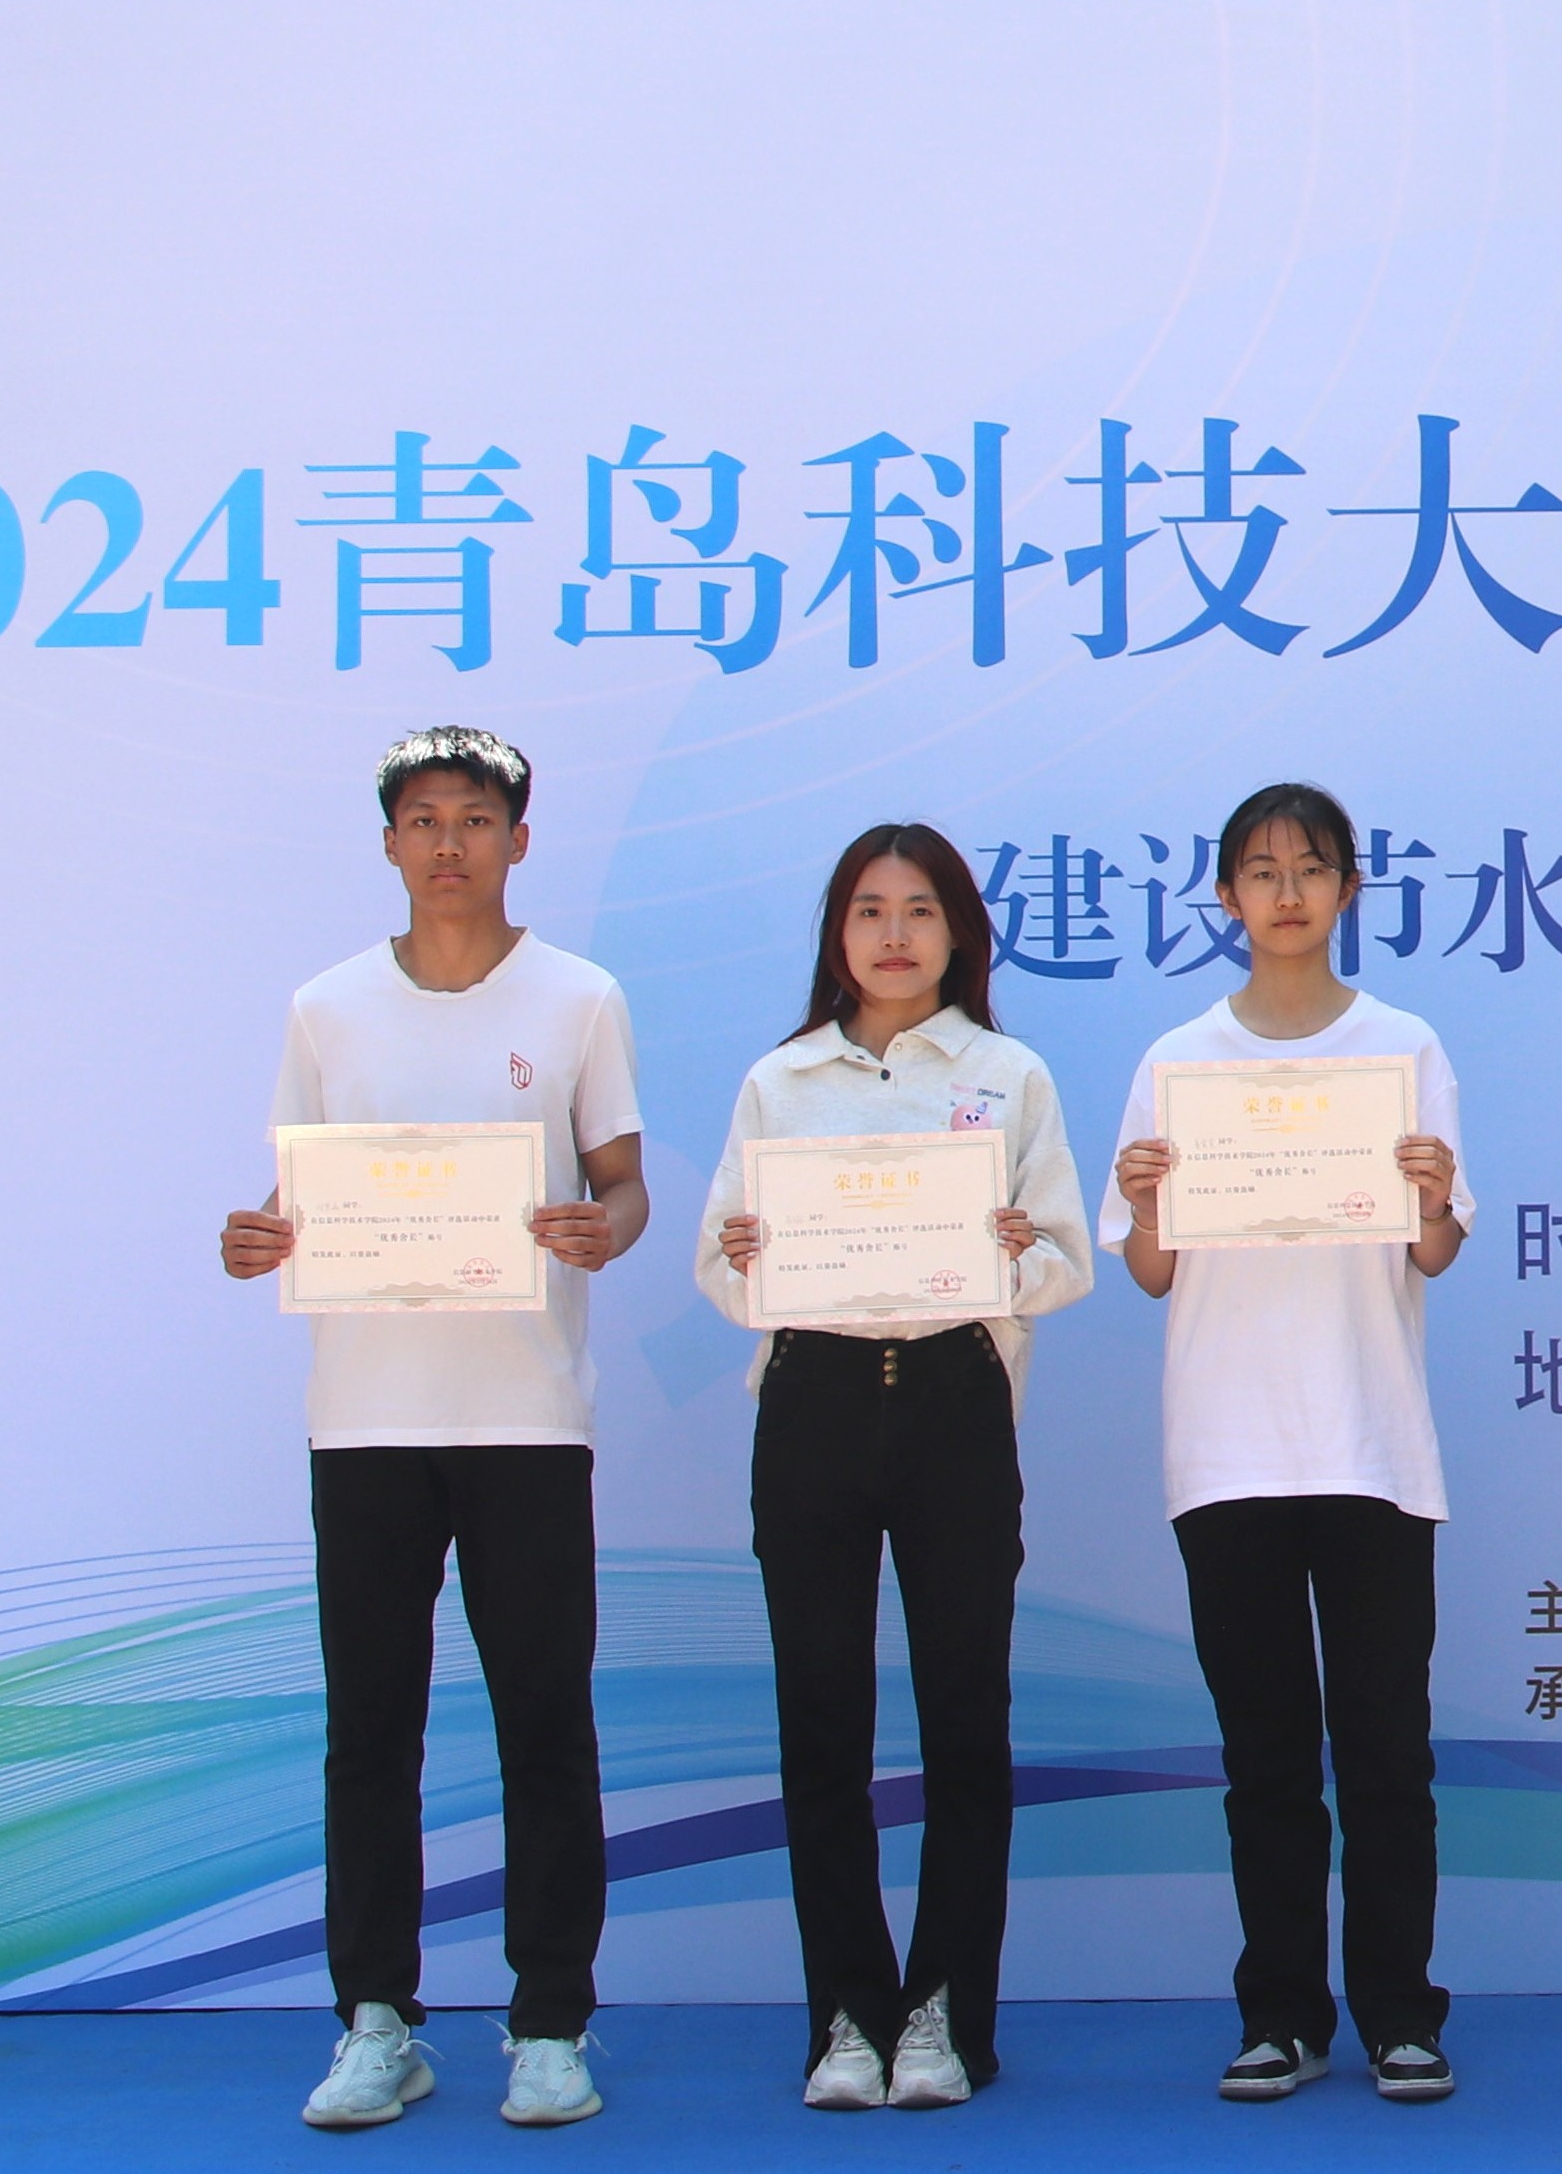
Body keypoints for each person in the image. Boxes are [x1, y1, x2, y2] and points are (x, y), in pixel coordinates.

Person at [223, 727, 647, 2131]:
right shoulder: (326, 1008)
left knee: (546, 1724)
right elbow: (296, 1198)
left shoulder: (579, 997)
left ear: (518, 840)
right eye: (423, 818)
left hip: (526, 1413)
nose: (449, 842)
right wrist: (257, 1237)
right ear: (391, 843)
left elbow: (624, 1181)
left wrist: (603, 1228)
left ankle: (551, 2022)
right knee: (370, 1730)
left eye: (474, 817)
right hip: (365, 1418)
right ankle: (376, 2020)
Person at [697, 823, 1091, 2111]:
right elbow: (719, 1270)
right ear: (837, 934)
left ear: (959, 932)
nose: (895, 934)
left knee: (965, 1717)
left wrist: (1011, 1252)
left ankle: (945, 2014)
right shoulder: (782, 1081)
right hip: (812, 1397)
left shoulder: (1007, 1074)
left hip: (953, 1398)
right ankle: (847, 2016)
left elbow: (1067, 1263)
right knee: (822, 1722)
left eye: (920, 909)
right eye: (869, 909)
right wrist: (750, 1256)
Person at [1104, 783, 1473, 2105]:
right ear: (1226, 896)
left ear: (1348, 889)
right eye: (1260, 871)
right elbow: (1150, 1268)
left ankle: (1400, 2016)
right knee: (1263, 1759)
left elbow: (1435, 1249)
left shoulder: (1403, 1047)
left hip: (1372, 1446)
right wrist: (1148, 1203)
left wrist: (1431, 1194)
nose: (1286, 893)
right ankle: (1281, 2016)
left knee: (1386, 1753)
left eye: (1310, 868)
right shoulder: (1178, 1059)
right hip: (1228, 1451)